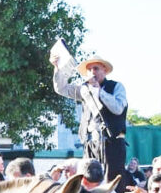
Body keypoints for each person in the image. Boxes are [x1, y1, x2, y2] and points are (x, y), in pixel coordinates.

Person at [50, 53, 128, 183]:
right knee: (89, 180)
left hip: (112, 142)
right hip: (91, 142)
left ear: (104, 70)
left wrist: (99, 91)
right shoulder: (85, 89)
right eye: (89, 69)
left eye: (96, 68)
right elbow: (61, 89)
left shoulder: (116, 87)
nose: (92, 72)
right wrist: (57, 68)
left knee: (112, 183)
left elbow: (118, 108)